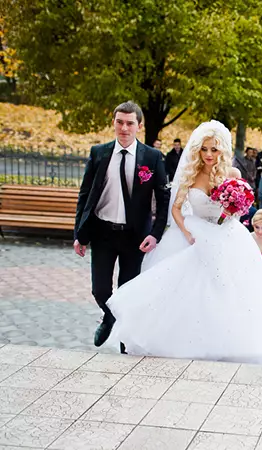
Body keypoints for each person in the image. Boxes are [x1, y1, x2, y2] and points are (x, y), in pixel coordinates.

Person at [105, 120, 262, 365]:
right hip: (197, 231)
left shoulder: (230, 175)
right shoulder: (191, 173)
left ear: (221, 150)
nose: (209, 154)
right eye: (205, 149)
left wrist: (233, 210)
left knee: (229, 288)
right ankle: (186, 339)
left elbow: (238, 208)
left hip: (227, 234)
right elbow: (177, 210)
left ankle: (230, 341)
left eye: (214, 149)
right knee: (190, 286)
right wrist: (187, 232)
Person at [73, 101, 170, 353]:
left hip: (135, 236)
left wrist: (155, 234)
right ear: (114, 123)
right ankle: (110, 316)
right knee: (100, 289)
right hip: (103, 232)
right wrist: (79, 234)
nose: (124, 128)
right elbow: (85, 195)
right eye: (119, 122)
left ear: (139, 125)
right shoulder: (99, 153)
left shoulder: (152, 156)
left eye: (129, 123)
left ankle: (127, 341)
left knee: (129, 291)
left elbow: (163, 198)